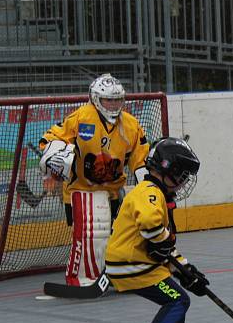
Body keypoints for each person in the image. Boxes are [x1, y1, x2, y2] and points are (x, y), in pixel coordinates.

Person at [105, 137, 208, 323]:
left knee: (179, 298)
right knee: (177, 301)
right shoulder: (149, 193)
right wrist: (166, 247)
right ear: (166, 168)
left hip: (142, 264)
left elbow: (164, 246)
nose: (184, 182)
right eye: (182, 175)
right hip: (131, 266)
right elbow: (152, 228)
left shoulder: (157, 194)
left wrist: (186, 269)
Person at [39, 73, 150, 287]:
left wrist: (146, 186)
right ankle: (81, 278)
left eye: (118, 100)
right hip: (80, 191)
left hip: (112, 192)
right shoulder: (80, 118)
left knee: (116, 237)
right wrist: (52, 169)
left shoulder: (131, 125)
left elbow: (140, 159)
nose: (114, 104)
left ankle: (114, 275)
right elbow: (51, 139)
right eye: (109, 99)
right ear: (96, 99)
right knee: (91, 236)